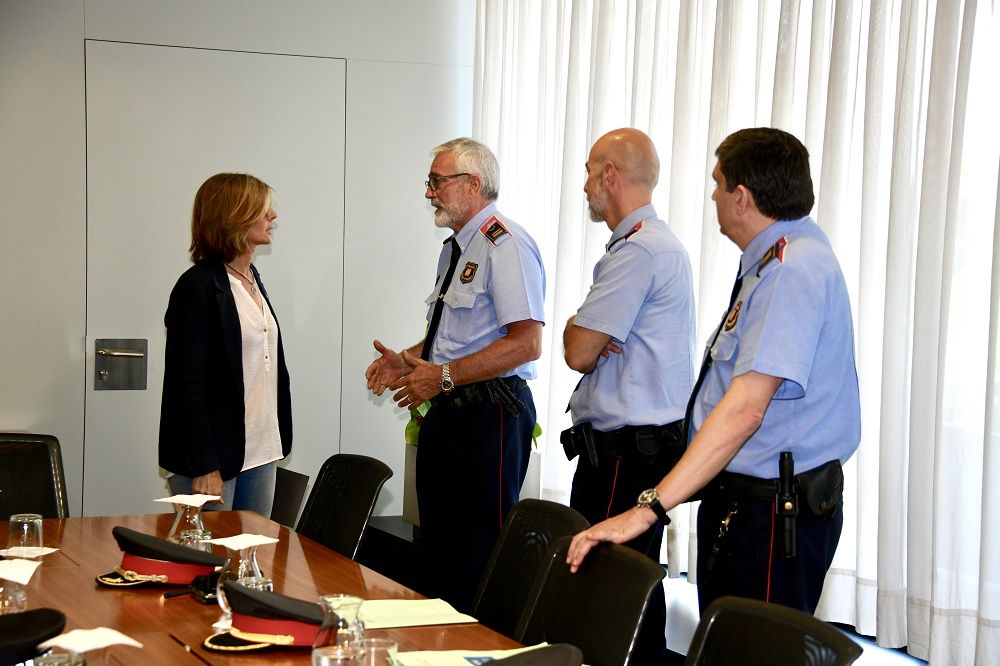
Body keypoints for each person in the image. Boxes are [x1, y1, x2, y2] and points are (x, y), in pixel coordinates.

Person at [567, 127, 860, 617]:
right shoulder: (773, 260)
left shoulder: (791, 270)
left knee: (750, 649)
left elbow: (745, 409)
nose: (712, 195)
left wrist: (647, 510)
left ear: (741, 198)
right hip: (746, 506)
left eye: (719, 183)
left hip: (770, 515)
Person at [366, 138, 545, 612]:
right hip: (450, 411)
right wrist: (404, 360)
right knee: (439, 551)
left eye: (436, 181)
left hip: (490, 414)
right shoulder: (455, 249)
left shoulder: (504, 244)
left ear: (472, 184)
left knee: (479, 554)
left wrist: (441, 377)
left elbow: (526, 342)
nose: (429, 192)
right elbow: (454, 336)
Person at [562, 128, 694, 658]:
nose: (585, 185)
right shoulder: (645, 246)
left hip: (626, 453)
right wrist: (589, 331)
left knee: (615, 589)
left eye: (590, 171)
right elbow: (589, 344)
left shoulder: (639, 252)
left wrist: (581, 324)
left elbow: (577, 351)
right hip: (627, 449)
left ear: (609, 175)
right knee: (626, 587)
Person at [159, 173, 292, 515]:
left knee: (250, 564)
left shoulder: (252, 280)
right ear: (234, 216)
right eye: (263, 208)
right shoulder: (197, 287)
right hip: (212, 461)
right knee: (209, 565)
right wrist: (205, 464)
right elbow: (186, 385)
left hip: (260, 451)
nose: (273, 215)